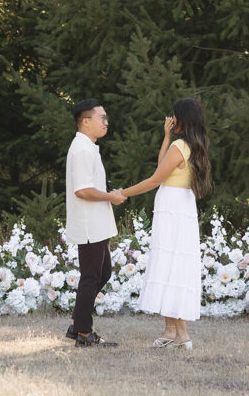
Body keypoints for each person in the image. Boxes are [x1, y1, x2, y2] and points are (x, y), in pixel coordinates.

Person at [120, 97, 211, 350]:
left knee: (172, 264)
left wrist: (123, 193)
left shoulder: (181, 146)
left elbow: (153, 180)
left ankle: (182, 335)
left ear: (180, 119)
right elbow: (163, 169)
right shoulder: (193, 144)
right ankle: (171, 330)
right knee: (172, 262)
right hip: (180, 205)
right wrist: (166, 137)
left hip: (172, 207)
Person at [65, 98, 126, 348]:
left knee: (102, 273)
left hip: (97, 223)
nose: (106, 122)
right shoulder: (80, 149)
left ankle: (78, 324)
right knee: (91, 277)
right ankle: (83, 333)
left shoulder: (88, 147)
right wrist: (110, 196)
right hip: (89, 224)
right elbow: (82, 191)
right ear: (86, 121)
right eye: (102, 118)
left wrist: (108, 194)